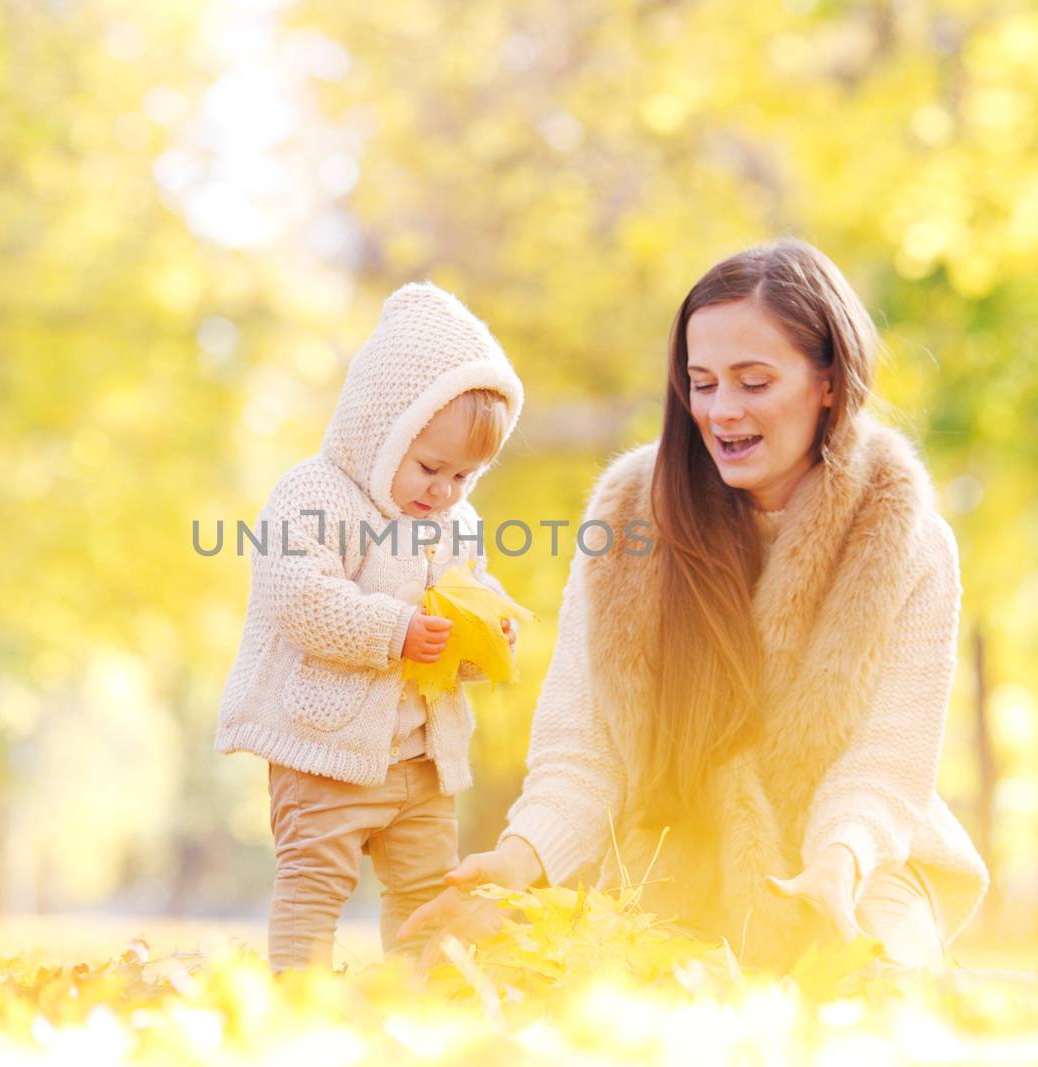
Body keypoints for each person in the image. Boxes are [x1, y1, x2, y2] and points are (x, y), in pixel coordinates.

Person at [399, 239, 989, 972]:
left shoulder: (907, 539)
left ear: (829, 380)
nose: (720, 410)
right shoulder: (625, 523)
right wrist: (522, 860)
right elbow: (584, 748)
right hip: (678, 859)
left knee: (870, 985)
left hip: (863, 860)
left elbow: (886, 765)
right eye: (701, 382)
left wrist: (838, 858)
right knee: (537, 984)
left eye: (753, 381)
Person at [215, 282, 524, 970]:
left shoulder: (454, 524)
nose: (443, 489)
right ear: (379, 427)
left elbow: (464, 597)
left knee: (422, 893)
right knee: (314, 884)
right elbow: (300, 595)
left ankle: (409, 1002)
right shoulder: (315, 494)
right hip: (321, 753)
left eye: (465, 476)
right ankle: (299, 1003)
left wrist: (487, 634)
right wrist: (393, 631)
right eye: (430, 466)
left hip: (419, 762)